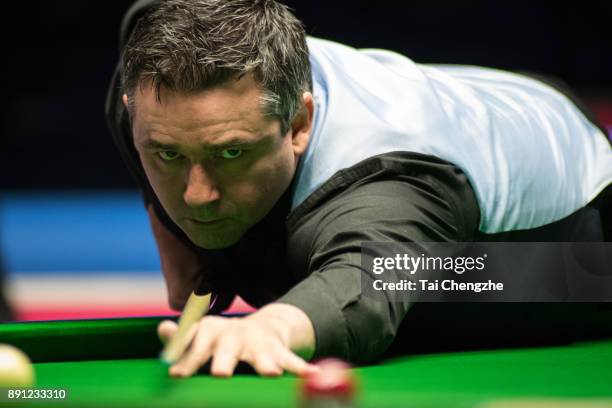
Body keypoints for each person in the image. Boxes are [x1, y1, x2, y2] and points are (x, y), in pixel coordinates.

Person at [105, 0, 612, 378]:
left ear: (300, 122)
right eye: (169, 155)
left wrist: (272, 327)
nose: (195, 195)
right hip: (448, 91)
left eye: (231, 153)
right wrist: (180, 247)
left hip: (575, 231)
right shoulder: (153, 83)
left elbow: (365, 285)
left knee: (419, 293)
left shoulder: (389, 184)